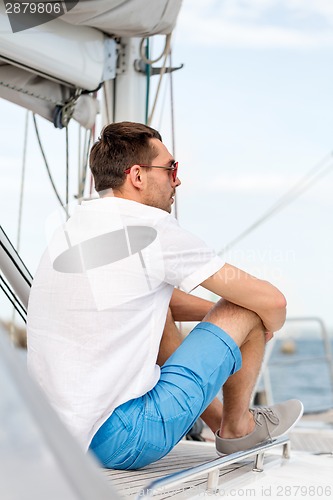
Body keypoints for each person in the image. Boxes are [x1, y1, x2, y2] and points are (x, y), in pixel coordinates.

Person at [27, 121, 303, 470]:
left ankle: (218, 422)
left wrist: (217, 317)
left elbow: (157, 299)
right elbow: (273, 302)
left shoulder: (73, 229)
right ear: (138, 176)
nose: (178, 180)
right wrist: (257, 323)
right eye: (171, 168)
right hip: (125, 439)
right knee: (247, 309)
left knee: (164, 306)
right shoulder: (152, 230)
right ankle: (237, 429)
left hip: (59, 436)